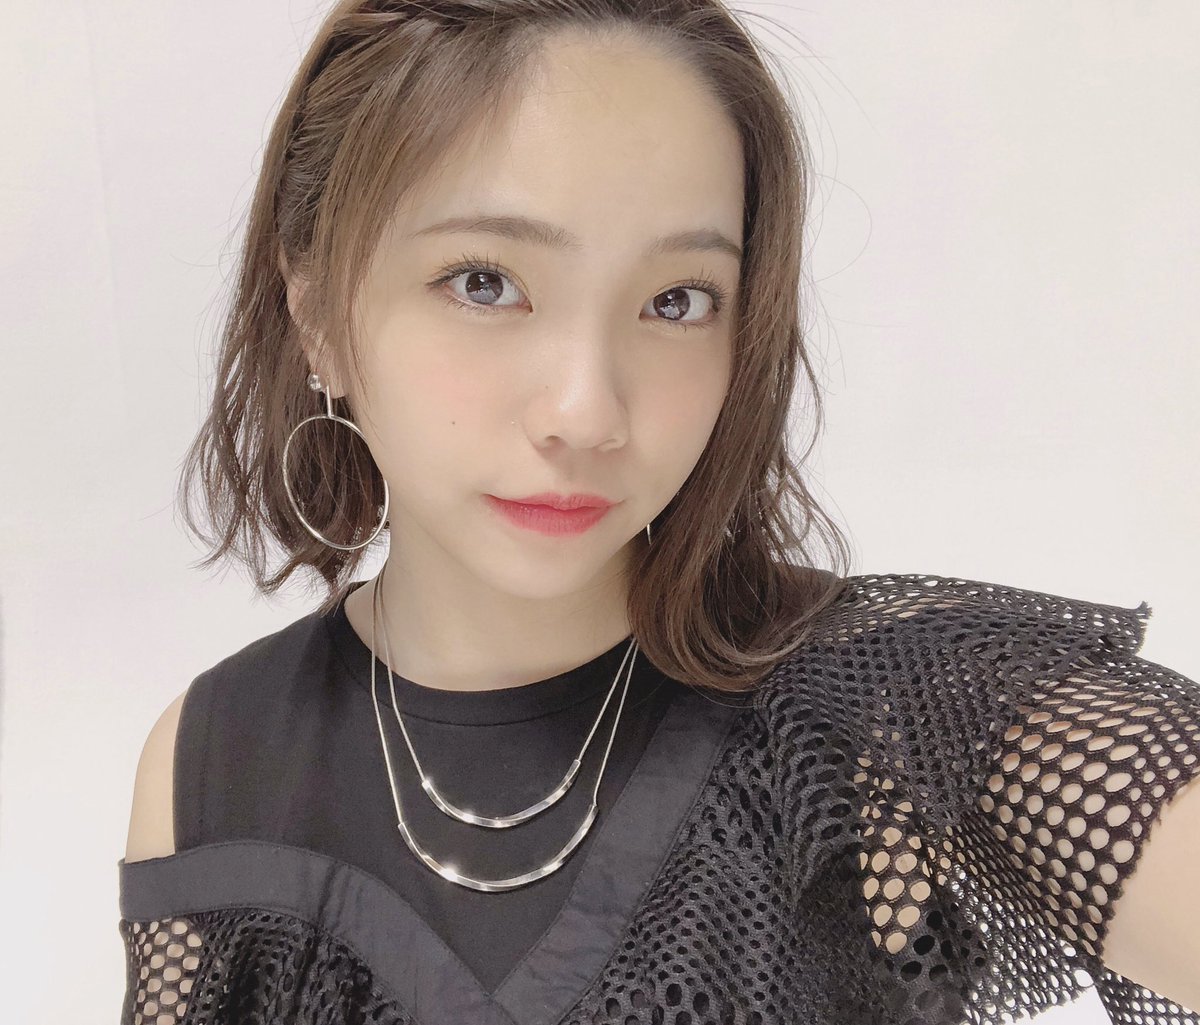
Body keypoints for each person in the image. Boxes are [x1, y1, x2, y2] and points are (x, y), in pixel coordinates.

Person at [118, 1, 1200, 1023]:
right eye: (485, 281)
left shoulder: (891, 715)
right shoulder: (212, 763)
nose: (587, 411)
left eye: (675, 301)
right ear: (315, 310)